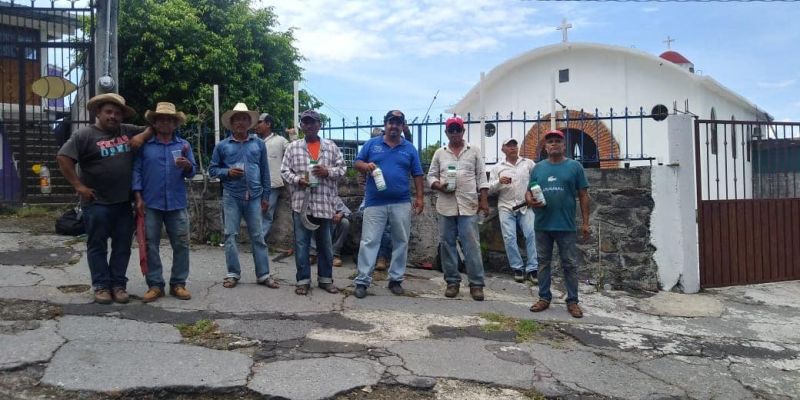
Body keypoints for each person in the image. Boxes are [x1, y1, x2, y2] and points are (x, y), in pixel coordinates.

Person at [56, 93, 153, 304]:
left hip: (123, 203)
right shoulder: (84, 135)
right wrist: (78, 186)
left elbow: (155, 126)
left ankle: (118, 285)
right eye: (108, 112)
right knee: (97, 246)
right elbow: (63, 157)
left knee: (122, 246)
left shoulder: (127, 130)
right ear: (98, 112)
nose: (113, 116)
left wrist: (142, 136)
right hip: (96, 202)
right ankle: (101, 286)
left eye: (117, 113)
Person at [352, 110, 424, 298]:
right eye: (391, 122)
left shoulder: (409, 148)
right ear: (385, 124)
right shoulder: (372, 144)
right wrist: (366, 166)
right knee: (369, 241)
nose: (394, 126)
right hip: (375, 202)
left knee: (401, 241)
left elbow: (417, 174)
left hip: (401, 201)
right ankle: (362, 281)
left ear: (402, 126)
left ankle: (396, 280)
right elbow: (357, 162)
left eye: (398, 123)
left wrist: (420, 198)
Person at [208, 102, 277, 289]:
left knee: (258, 237)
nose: (240, 122)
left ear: (249, 122)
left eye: (244, 119)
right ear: (231, 123)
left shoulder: (259, 144)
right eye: (236, 119)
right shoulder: (222, 146)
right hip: (232, 196)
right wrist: (227, 172)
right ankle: (233, 274)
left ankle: (263, 275)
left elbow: (265, 171)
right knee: (230, 235)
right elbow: (212, 170)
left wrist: (266, 196)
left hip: (255, 196)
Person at [133, 102, 197, 303]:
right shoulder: (146, 147)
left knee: (181, 244)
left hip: (177, 204)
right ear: (155, 122)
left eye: (170, 119)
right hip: (151, 203)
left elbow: (192, 172)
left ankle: (178, 283)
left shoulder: (184, 145)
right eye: (161, 119)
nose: (165, 122)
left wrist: (187, 166)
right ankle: (155, 285)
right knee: (151, 244)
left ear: (175, 123)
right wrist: (138, 197)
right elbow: (137, 171)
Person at [280, 109, 346, 295]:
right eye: (305, 122)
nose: (308, 125)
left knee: (325, 243)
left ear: (319, 125)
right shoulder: (293, 147)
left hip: (324, 203)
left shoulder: (331, 146)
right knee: (301, 244)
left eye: (312, 122)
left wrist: (328, 172)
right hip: (301, 203)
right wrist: (298, 180)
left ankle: (326, 280)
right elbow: (284, 171)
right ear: (301, 125)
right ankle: (303, 281)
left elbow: (342, 169)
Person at [526, 129, 591, 318]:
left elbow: (583, 195)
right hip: (542, 224)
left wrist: (586, 223)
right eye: (550, 141)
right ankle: (544, 297)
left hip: (566, 225)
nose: (554, 144)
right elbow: (529, 191)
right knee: (543, 263)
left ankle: (573, 301)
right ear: (545, 147)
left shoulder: (575, 167)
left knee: (570, 264)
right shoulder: (538, 168)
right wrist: (529, 200)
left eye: (557, 141)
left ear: (564, 146)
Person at [427, 116, 489, 301]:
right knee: (447, 245)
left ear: (463, 131)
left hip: (469, 205)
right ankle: (452, 282)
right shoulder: (440, 153)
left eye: (458, 129)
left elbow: (482, 178)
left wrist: (484, 200)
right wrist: (439, 186)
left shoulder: (474, 151)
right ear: (446, 132)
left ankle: (476, 284)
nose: (455, 133)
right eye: (451, 130)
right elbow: (430, 176)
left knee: (472, 245)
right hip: (445, 206)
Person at [488, 138, 538, 283]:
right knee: (509, 237)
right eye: (509, 145)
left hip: (525, 205)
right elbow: (489, 190)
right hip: (506, 206)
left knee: (531, 234)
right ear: (503, 149)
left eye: (514, 145)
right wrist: (499, 182)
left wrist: (533, 196)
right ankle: (517, 267)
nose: (512, 148)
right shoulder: (497, 168)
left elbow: (536, 180)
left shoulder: (528, 164)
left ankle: (532, 269)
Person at [255, 113, 289, 240]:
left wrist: (293, 135)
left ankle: (259, 241)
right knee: (255, 212)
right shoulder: (253, 140)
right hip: (254, 183)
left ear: (268, 124)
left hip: (272, 183)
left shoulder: (280, 140)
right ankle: (256, 239)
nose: (256, 125)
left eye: (259, 122)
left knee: (267, 212)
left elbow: (294, 150)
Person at [310, 195, 351, 267]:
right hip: (317, 226)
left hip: (331, 226)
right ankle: (313, 253)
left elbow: (346, 211)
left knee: (345, 222)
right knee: (309, 220)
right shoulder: (311, 196)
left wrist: (340, 214)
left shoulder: (333, 196)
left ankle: (335, 254)